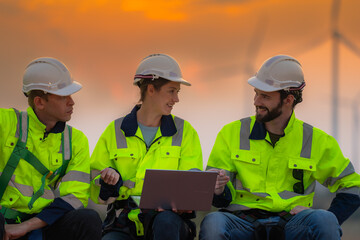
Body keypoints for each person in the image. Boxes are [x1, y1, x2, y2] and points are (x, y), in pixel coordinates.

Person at [199, 55, 360, 240]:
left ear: (288, 99)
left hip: (294, 223)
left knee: (324, 219)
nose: (256, 101)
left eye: (265, 96)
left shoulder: (317, 140)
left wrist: (332, 216)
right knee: (213, 223)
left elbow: (353, 186)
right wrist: (219, 190)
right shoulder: (231, 133)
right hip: (241, 222)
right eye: (256, 93)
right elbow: (220, 198)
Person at [90, 53, 203, 240]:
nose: (176, 99)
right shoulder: (115, 130)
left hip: (169, 222)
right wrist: (109, 181)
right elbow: (96, 188)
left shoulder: (185, 132)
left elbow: (191, 184)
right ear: (151, 89)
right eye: (172, 91)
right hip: (123, 222)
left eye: (177, 92)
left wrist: (180, 203)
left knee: (166, 222)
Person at [0, 57, 102, 240]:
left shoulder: (76, 140)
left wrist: (25, 226)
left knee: (88, 219)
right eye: (63, 96)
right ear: (39, 102)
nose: (72, 102)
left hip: (42, 223)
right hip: (3, 222)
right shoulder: (5, 123)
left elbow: (75, 196)